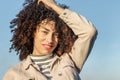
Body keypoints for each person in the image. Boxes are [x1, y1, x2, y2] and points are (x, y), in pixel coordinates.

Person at [3, 0, 97, 80]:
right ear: (32, 32)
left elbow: (89, 31)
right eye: (45, 32)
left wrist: (54, 7)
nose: (50, 39)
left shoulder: (70, 61)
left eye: (56, 34)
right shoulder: (14, 74)